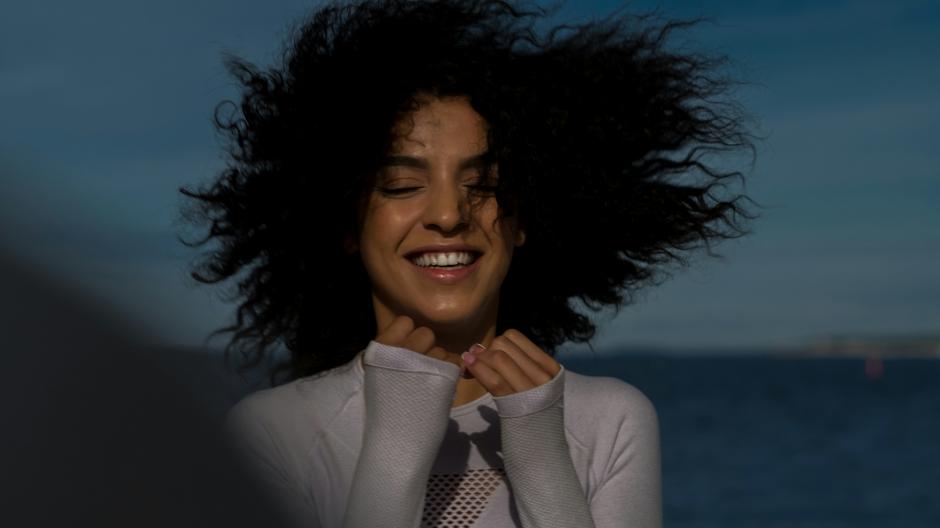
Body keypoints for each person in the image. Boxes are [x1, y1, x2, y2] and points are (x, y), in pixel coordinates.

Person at [179, 1, 756, 526]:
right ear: (348, 226)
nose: (449, 215)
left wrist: (542, 456)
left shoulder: (611, 420)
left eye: (483, 185)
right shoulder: (274, 433)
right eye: (402, 185)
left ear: (523, 219)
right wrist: (395, 449)